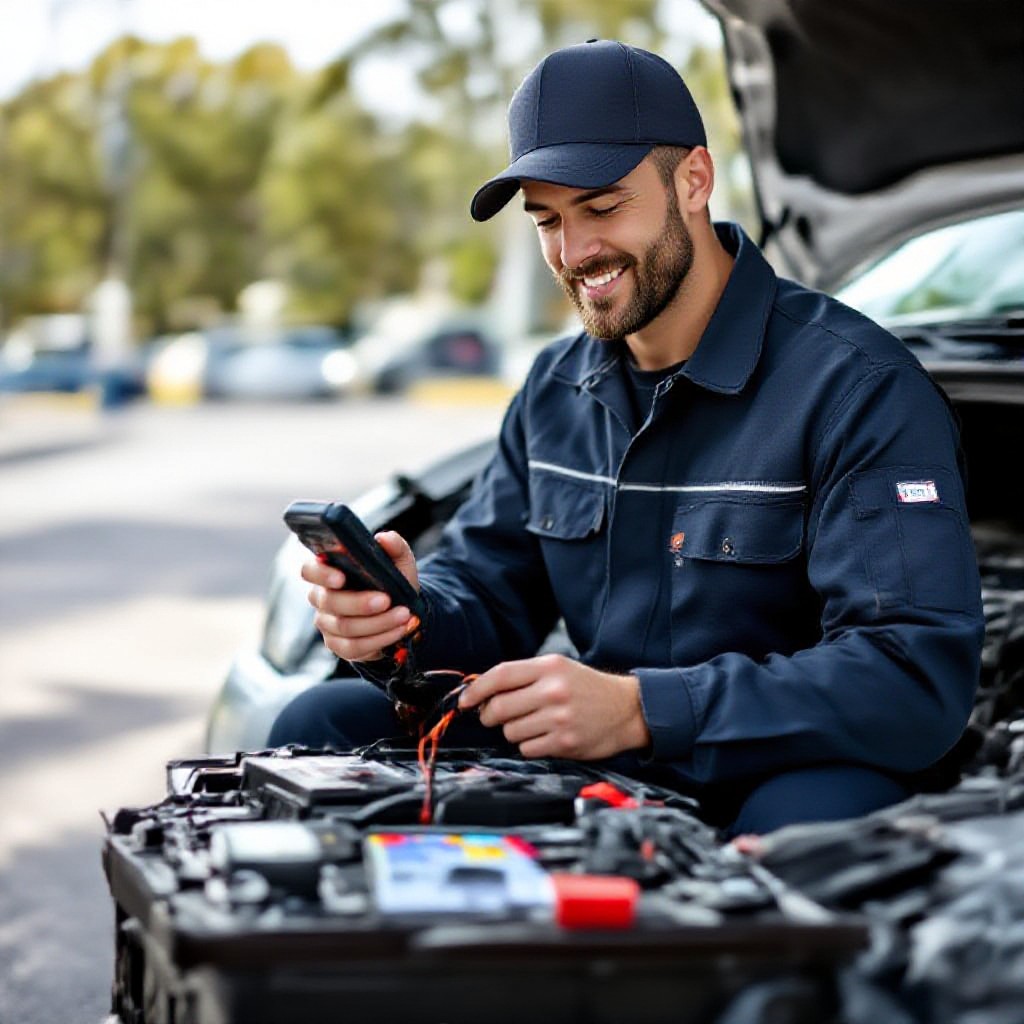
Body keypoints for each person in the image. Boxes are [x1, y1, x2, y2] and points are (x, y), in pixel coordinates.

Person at [269, 40, 984, 834]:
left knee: (801, 825)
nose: (574, 255)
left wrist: (646, 711)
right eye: (548, 220)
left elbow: (913, 679)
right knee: (321, 726)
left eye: (602, 208)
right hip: (592, 765)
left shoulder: (857, 387)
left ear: (695, 181)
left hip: (775, 771)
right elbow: (488, 591)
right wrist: (401, 619)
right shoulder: (554, 387)